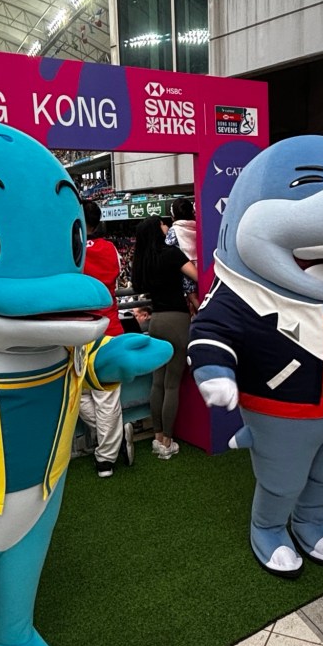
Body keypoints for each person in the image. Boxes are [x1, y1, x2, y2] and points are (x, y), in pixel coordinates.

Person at [131, 215, 198, 459]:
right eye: (162, 223)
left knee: (158, 382)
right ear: (157, 229)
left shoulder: (144, 260)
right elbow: (196, 276)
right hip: (177, 320)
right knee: (172, 384)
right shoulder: (171, 254)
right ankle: (167, 442)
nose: (166, 226)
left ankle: (157, 436)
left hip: (156, 321)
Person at [77, 201, 134, 477]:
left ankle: (106, 458)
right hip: (109, 330)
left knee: (80, 394)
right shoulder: (110, 249)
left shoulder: (69, 249)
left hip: (78, 333)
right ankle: (113, 441)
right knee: (104, 397)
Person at [165, 198, 199, 315]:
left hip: (186, 271)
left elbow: (167, 248)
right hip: (201, 267)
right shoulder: (198, 226)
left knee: (194, 300)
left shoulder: (174, 230)